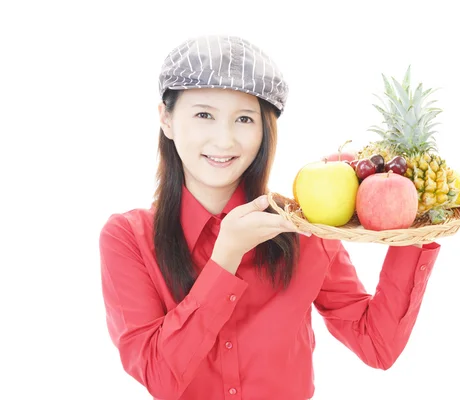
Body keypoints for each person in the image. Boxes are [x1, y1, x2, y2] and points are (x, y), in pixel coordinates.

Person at [99, 34, 441, 400]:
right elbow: (159, 377)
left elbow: (377, 345)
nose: (225, 140)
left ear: (265, 131)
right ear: (166, 119)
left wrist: (413, 222)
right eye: (204, 115)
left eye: (244, 119)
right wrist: (225, 259)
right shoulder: (128, 238)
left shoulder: (304, 227)